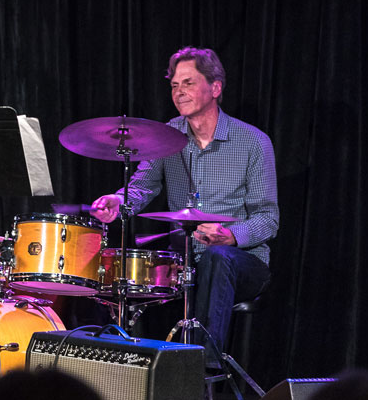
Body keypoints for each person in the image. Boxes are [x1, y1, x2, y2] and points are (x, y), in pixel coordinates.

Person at [89, 47, 278, 367]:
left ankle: (201, 368)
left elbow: (268, 218)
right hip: (185, 262)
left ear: (215, 88)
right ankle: (116, 368)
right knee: (111, 267)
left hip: (244, 262)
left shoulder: (253, 142)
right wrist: (117, 202)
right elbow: (141, 187)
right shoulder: (167, 136)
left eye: (188, 83)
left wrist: (230, 236)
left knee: (218, 259)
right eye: (175, 85)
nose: (179, 92)